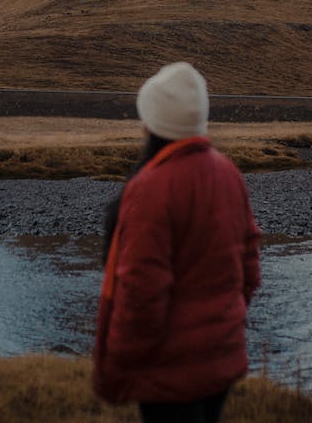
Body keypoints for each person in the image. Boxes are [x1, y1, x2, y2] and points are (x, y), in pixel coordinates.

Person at [94, 61, 261, 423]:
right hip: (220, 357)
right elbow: (249, 266)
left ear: (151, 124)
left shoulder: (150, 189)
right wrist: (225, 321)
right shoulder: (227, 172)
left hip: (169, 370)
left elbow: (141, 292)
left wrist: (121, 360)